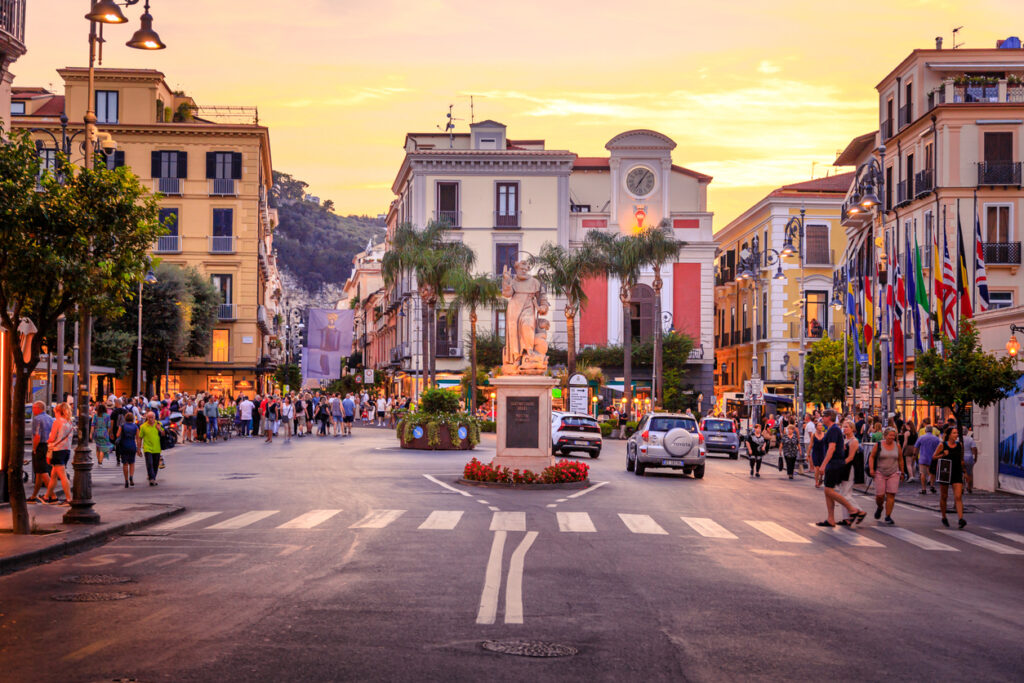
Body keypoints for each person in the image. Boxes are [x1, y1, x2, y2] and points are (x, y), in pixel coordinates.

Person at [816, 411, 865, 527]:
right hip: (834, 463)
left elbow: (831, 448)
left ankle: (852, 509)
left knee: (829, 491)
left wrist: (823, 465)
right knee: (828, 491)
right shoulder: (833, 430)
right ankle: (830, 519)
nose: (821, 419)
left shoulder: (833, 429)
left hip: (834, 463)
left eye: (823, 416)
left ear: (828, 417)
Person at [869, 427, 905, 524]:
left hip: (893, 472)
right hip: (880, 472)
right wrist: (871, 469)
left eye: (894, 436)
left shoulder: (897, 446)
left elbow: (901, 459)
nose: (892, 437)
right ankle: (880, 507)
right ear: (885, 436)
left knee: (891, 494)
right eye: (890, 435)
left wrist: (902, 472)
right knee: (880, 496)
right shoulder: (879, 445)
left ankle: (888, 516)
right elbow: (872, 457)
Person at [933, 426, 967, 528]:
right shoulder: (942, 445)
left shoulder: (959, 445)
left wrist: (964, 472)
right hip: (945, 472)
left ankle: (961, 519)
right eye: (954, 433)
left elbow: (961, 459)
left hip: (956, 472)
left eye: (957, 433)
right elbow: (934, 457)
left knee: (958, 496)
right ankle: (944, 516)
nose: (956, 435)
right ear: (949, 435)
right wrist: (943, 454)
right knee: (944, 496)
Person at [43, 402, 75, 505]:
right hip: (66, 450)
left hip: (57, 450)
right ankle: (47, 497)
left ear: (58, 412)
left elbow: (52, 438)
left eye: (55, 412)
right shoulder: (69, 423)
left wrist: (48, 440)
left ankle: (69, 499)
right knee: (53, 475)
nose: (54, 414)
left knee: (62, 475)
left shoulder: (57, 422)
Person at [27, 401, 53, 503]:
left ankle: (52, 496)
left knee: (43, 472)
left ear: (38, 408)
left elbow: (37, 436)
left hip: (40, 447)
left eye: (34, 408)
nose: (33, 410)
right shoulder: (50, 418)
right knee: (38, 472)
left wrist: (34, 448)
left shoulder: (37, 419)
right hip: (48, 446)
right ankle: (33, 496)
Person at [138, 411, 165, 486]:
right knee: (149, 463)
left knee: (155, 464)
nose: (150, 419)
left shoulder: (158, 424)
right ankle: (152, 479)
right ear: (147, 418)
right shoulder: (143, 426)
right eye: (149, 417)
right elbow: (140, 438)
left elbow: (163, 434)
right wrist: (139, 449)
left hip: (157, 447)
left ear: (154, 417)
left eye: (152, 417)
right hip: (147, 448)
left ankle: (153, 477)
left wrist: (159, 429)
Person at [116, 412, 140, 487]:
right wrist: (138, 448)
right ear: (132, 418)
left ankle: (126, 480)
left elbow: (117, 435)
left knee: (125, 464)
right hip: (132, 445)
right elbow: (138, 438)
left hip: (124, 445)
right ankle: (131, 477)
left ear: (125, 418)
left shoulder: (122, 426)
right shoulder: (135, 427)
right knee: (132, 463)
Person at [915, 426, 941, 494]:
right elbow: (940, 447)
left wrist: (915, 454)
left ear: (925, 431)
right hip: (932, 458)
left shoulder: (921, 438)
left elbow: (916, 447)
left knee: (923, 473)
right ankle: (932, 485)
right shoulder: (936, 439)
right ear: (932, 431)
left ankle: (924, 489)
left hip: (923, 457)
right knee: (932, 473)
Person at [810, 421, 827, 487]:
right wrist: (808, 454)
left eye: (821, 425)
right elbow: (811, 444)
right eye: (819, 425)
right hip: (815, 452)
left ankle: (821, 479)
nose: (820, 426)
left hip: (823, 453)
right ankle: (816, 482)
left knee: (822, 469)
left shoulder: (825, 434)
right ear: (816, 427)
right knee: (817, 467)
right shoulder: (813, 435)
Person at [962, 427, 978, 494]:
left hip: (960, 458)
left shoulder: (957, 439)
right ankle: (969, 487)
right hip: (969, 457)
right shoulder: (970, 439)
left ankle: (962, 487)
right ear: (967, 432)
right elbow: (974, 449)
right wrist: (975, 458)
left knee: (961, 473)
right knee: (970, 473)